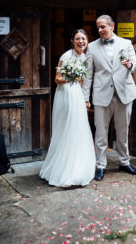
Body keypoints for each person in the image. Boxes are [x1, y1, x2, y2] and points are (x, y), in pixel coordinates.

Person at [83, 15, 136, 181]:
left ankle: (124, 162)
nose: (100, 30)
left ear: (112, 26)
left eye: (103, 27)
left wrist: (130, 65)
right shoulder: (92, 47)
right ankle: (100, 165)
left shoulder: (126, 43)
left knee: (123, 131)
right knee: (101, 133)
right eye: (98, 27)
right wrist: (86, 98)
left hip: (124, 94)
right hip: (102, 95)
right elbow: (88, 75)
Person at [39, 29, 95, 187]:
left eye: (84, 39)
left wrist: (86, 100)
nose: (81, 42)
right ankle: (62, 169)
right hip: (66, 95)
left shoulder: (85, 57)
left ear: (87, 41)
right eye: (78, 39)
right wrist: (72, 77)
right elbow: (57, 79)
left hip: (77, 96)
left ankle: (78, 166)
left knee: (79, 128)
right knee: (67, 128)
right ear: (72, 41)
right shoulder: (66, 56)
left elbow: (84, 81)